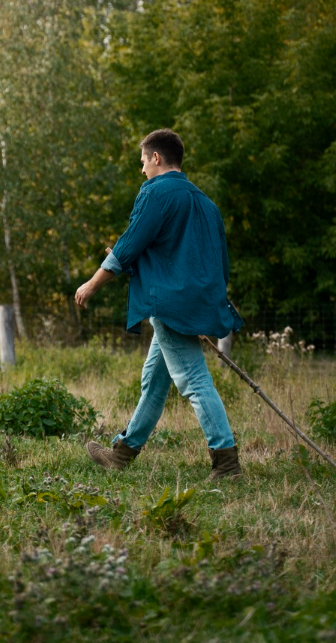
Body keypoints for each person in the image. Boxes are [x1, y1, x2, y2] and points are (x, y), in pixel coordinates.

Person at [74, 128, 244, 479]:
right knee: (154, 378)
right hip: (194, 301)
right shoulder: (205, 203)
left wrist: (92, 283)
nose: (141, 171)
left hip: (168, 302)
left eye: (142, 162)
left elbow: (130, 243)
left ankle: (226, 463)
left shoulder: (156, 193)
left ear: (156, 158)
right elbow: (214, 260)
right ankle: (122, 453)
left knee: (195, 379)